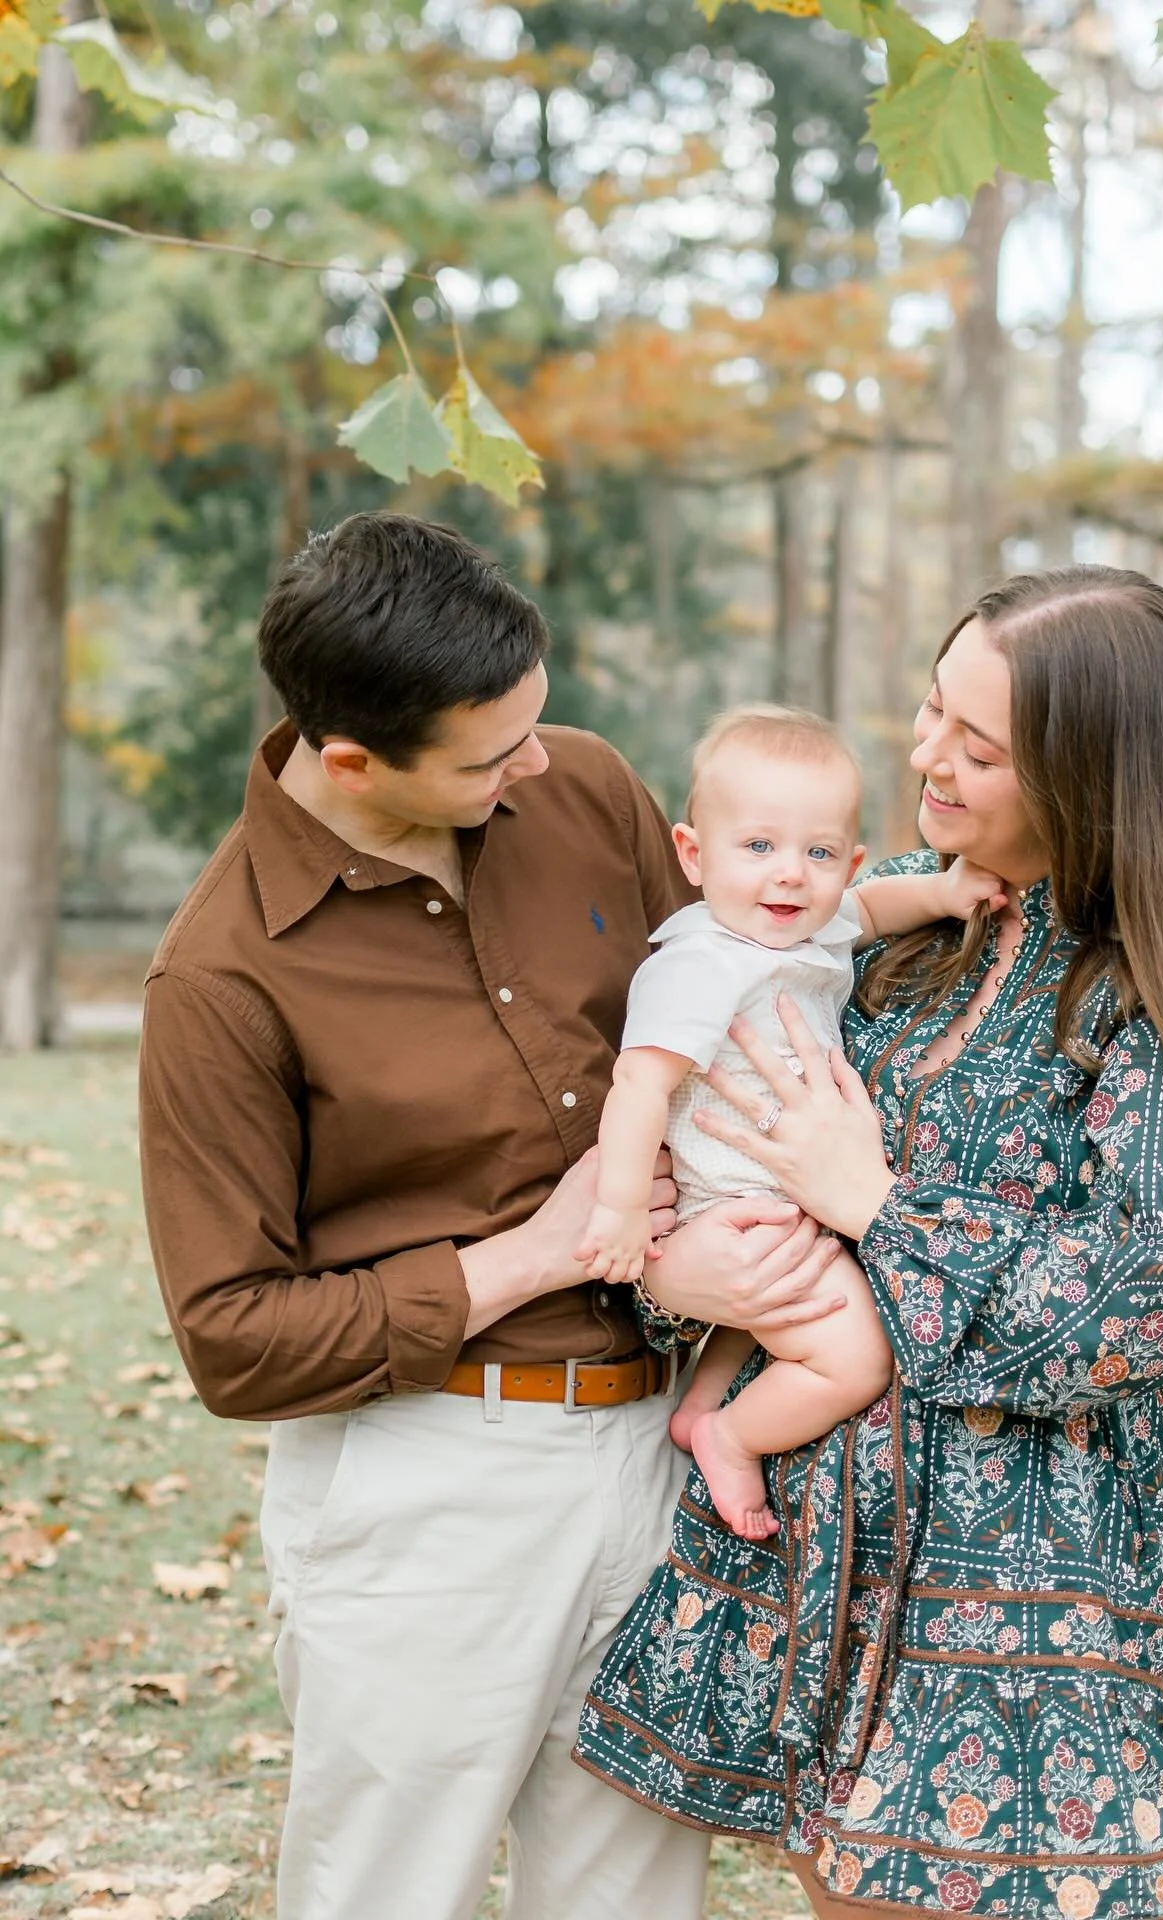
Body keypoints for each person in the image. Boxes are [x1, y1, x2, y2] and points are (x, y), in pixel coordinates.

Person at [575, 567, 1163, 1919]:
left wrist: (876, 1204)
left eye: (978, 747)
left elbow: (1144, 1307)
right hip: (818, 1555)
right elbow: (707, 1135)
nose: (925, 756)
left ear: (1091, 773)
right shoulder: (891, 928)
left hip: (1017, 1590)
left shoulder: (1154, 989)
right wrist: (683, 1277)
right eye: (933, 711)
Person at [136, 512, 849, 1920]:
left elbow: (742, 983)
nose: (535, 759)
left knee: (630, 1897)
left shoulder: (579, 787)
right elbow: (233, 1343)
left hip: (656, 1450)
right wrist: (531, 1250)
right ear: (351, 759)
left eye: (534, 722)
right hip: (425, 1489)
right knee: (390, 1895)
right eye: (488, 752)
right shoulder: (220, 979)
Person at [580, 705, 1006, 1541]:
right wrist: (621, 1206)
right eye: (758, 847)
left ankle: (702, 1403)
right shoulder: (701, 963)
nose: (788, 876)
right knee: (854, 1357)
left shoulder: (814, 924)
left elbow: (876, 909)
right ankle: (729, 1435)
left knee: (764, 1322)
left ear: (844, 863)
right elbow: (636, 1082)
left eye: (817, 854)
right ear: (693, 855)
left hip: (792, 1195)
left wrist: (949, 891)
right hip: (736, 1206)